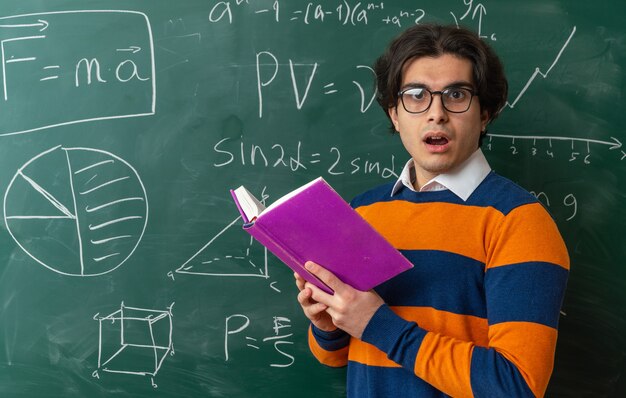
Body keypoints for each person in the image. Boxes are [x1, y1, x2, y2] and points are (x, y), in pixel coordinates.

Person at [294, 24, 569, 397]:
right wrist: (330, 325)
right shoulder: (363, 213)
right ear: (394, 113)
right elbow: (338, 356)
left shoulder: (519, 222)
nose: (436, 113)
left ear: (485, 113)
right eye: (416, 95)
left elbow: (516, 385)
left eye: (456, 95)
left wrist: (378, 324)